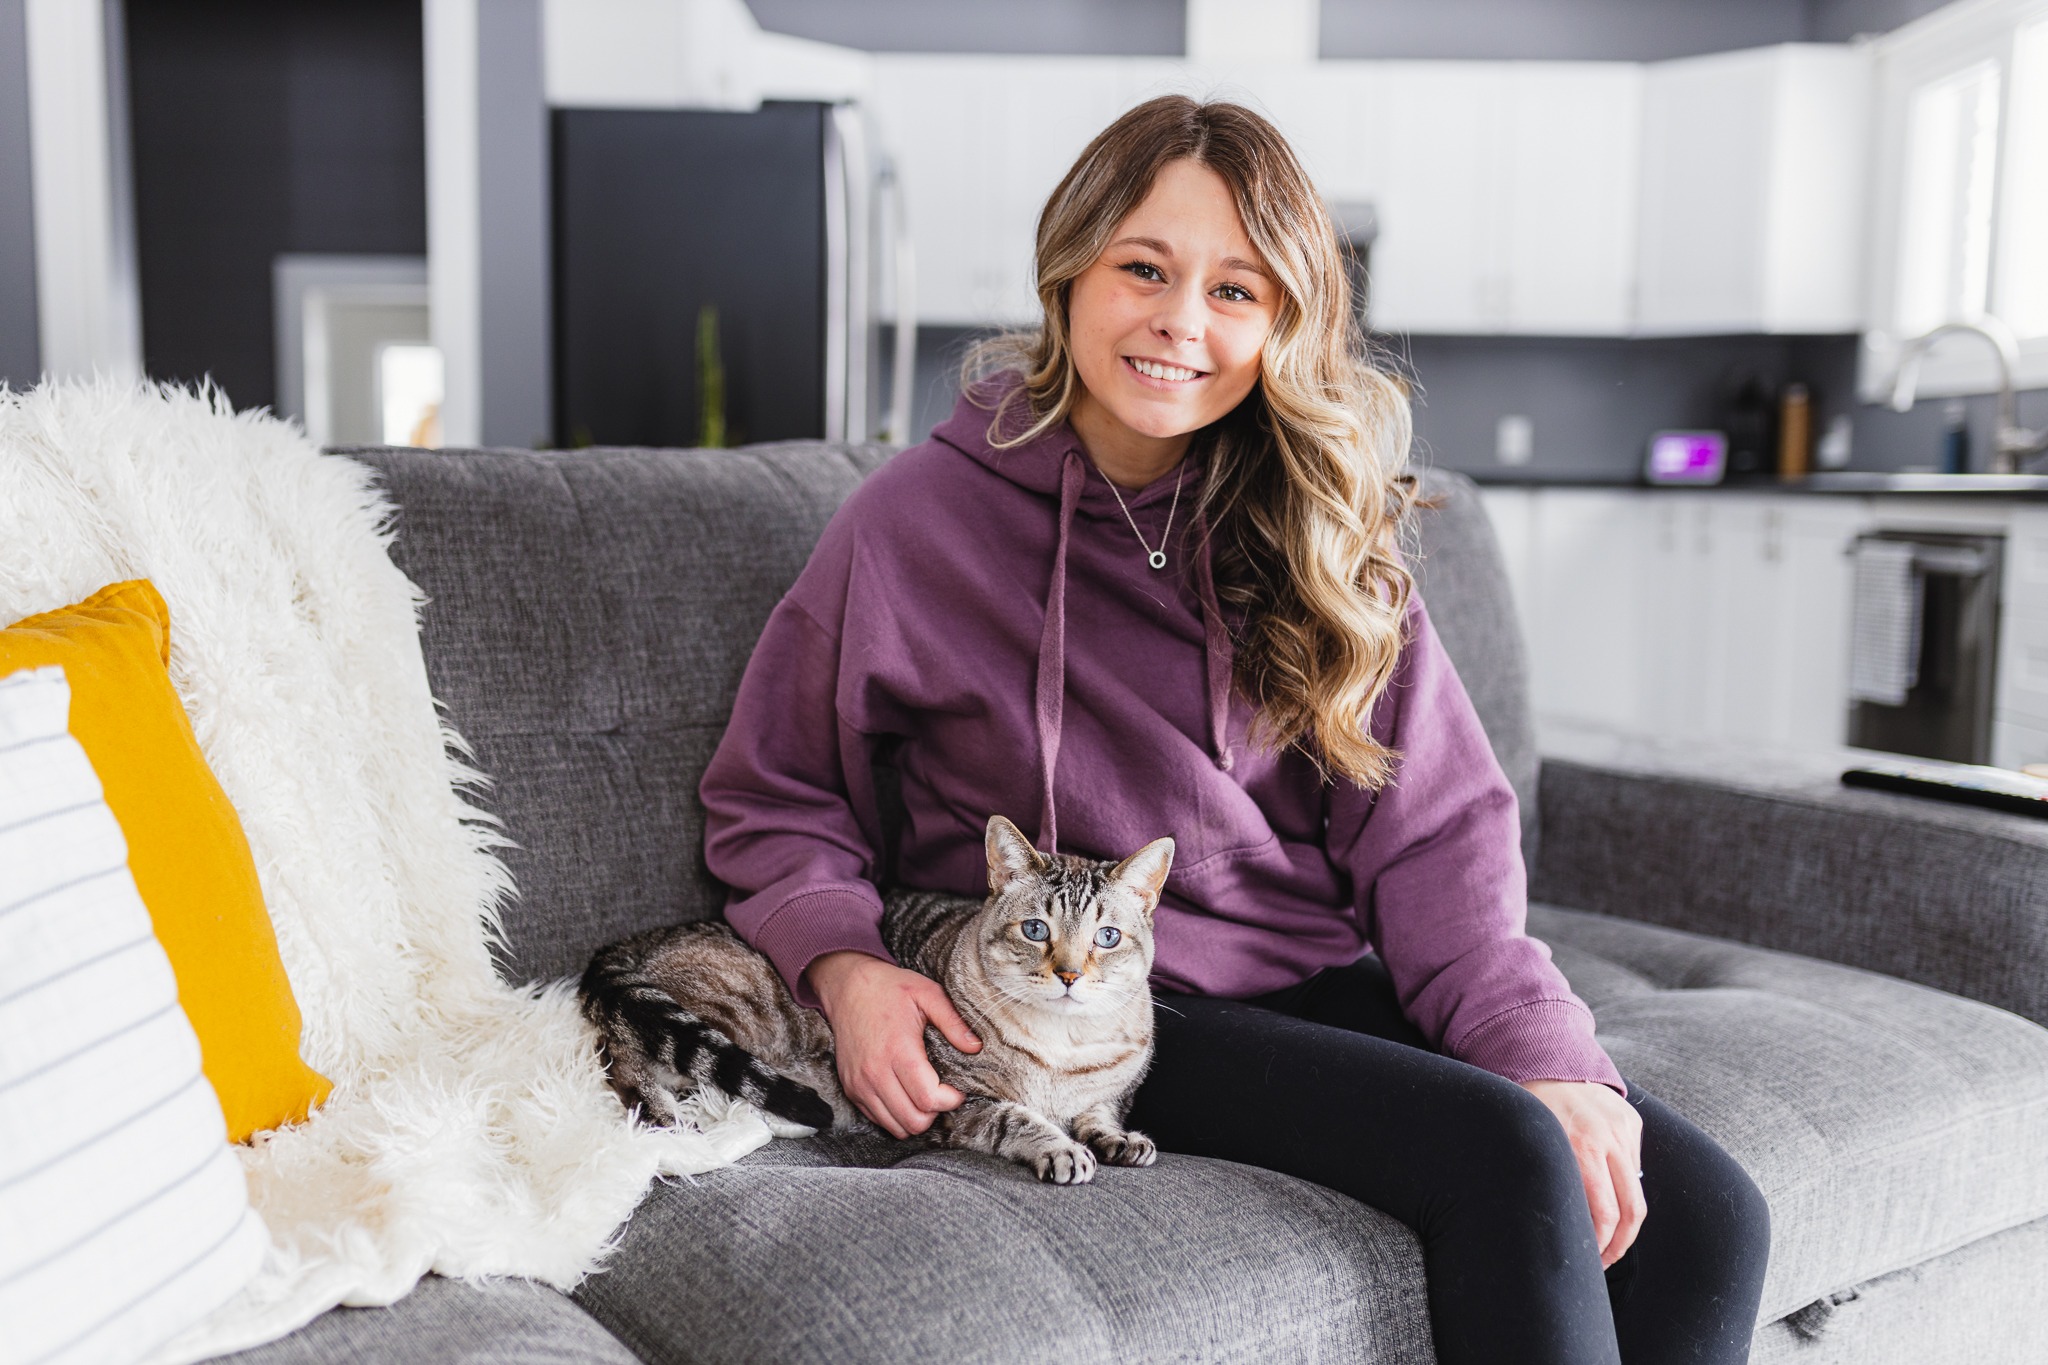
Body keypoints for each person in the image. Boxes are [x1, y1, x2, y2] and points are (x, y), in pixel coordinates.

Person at [699, 94, 1770, 1364]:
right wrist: (846, 965)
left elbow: (1433, 841)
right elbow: (775, 795)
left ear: (1284, 322)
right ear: (1069, 268)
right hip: (1103, 1000)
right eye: (1143, 268)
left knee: (1704, 1219)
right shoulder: (912, 522)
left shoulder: (1315, 519)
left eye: (1236, 291)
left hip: (1312, 975)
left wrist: (1551, 1060)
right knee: (1500, 1156)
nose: (1179, 322)